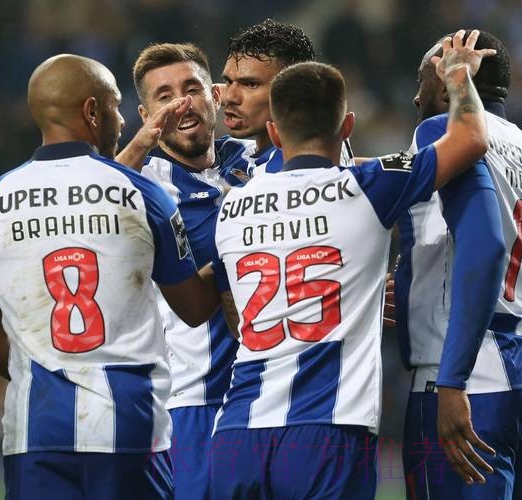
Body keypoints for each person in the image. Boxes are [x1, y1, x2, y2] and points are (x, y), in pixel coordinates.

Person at [209, 31, 495, 499]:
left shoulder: (231, 205)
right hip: (327, 428)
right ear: (347, 128)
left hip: (236, 431)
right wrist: (459, 76)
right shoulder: (369, 184)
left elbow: (235, 315)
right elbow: (471, 138)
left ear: (275, 133)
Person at [0, 54, 220, 500]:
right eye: (116, 106)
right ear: (92, 111)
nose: (122, 120)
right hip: (130, 428)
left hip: (34, 433)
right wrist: (237, 248)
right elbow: (195, 308)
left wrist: (51, 373)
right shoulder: (143, 193)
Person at [395, 31, 522, 500]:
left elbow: (484, 248)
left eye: (422, 79)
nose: (416, 96)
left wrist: (452, 380)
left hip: (464, 378)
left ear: (448, 80)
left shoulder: (441, 129)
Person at [115, 42, 252, 500]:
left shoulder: (255, 160)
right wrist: (141, 142)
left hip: (273, 395)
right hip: (195, 401)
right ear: (145, 115)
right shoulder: (140, 185)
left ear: (215, 95)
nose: (181, 104)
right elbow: (95, 202)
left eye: (191, 89)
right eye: (165, 96)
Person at [221, 18, 353, 177]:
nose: (229, 97)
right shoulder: (230, 152)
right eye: (228, 81)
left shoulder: (283, 174)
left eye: (250, 84)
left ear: (293, 89)